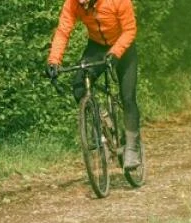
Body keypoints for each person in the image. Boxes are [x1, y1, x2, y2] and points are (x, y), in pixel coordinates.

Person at [46, 0, 142, 169]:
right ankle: (102, 117)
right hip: (97, 47)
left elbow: (130, 30)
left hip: (123, 48)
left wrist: (115, 53)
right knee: (78, 86)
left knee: (128, 97)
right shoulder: (73, 3)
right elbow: (63, 31)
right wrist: (54, 61)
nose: (81, 2)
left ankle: (132, 147)